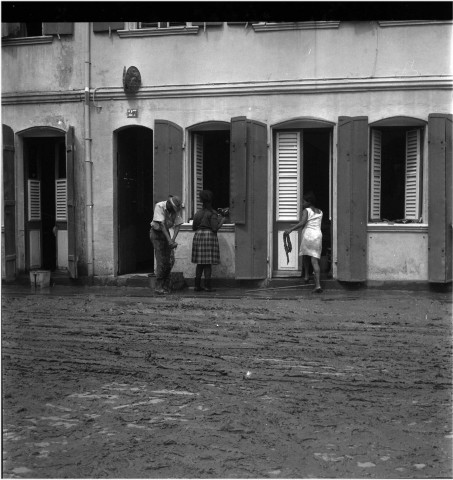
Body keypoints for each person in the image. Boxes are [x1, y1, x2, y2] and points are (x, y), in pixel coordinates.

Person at [285, 192, 323, 293]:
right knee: (315, 260)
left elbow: (302, 223)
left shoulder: (306, 210)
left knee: (305, 255)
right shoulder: (320, 212)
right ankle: (318, 285)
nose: (302, 203)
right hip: (318, 235)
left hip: (308, 235)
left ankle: (306, 275)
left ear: (308, 202)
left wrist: (291, 229)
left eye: (303, 201)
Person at [191, 190, 226, 292]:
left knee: (199, 263)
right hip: (209, 237)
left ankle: (197, 286)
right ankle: (207, 286)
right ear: (211, 200)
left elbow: (194, 227)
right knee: (207, 264)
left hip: (198, 236)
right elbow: (215, 228)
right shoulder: (212, 213)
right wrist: (223, 221)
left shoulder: (198, 213)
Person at [149, 195, 184, 295]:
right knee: (161, 260)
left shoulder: (175, 210)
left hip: (166, 233)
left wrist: (173, 239)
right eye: (172, 208)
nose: (173, 211)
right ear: (168, 203)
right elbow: (162, 225)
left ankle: (165, 284)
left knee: (170, 260)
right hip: (156, 233)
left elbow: (178, 224)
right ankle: (159, 286)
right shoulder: (159, 206)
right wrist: (170, 241)